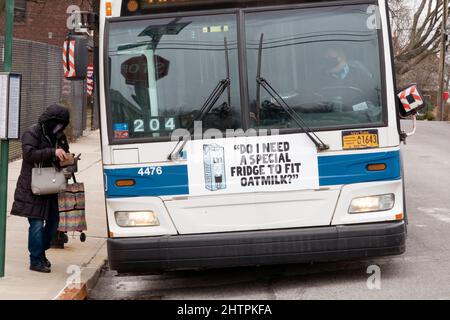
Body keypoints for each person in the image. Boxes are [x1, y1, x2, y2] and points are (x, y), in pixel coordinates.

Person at [10, 104, 71, 273]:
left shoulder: (59, 135)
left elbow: (63, 153)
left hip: (51, 185)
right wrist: (52, 152)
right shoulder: (32, 132)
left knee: (53, 223)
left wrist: (65, 153)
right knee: (36, 224)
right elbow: (29, 154)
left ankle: (41, 252)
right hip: (33, 186)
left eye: (62, 124)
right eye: (57, 123)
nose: (59, 127)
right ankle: (35, 259)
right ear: (50, 121)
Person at [319, 46, 380, 110]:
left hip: (359, 115)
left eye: (332, 59)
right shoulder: (320, 78)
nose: (329, 63)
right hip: (329, 117)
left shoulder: (360, 73)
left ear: (343, 56)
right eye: (326, 60)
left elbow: (373, 95)